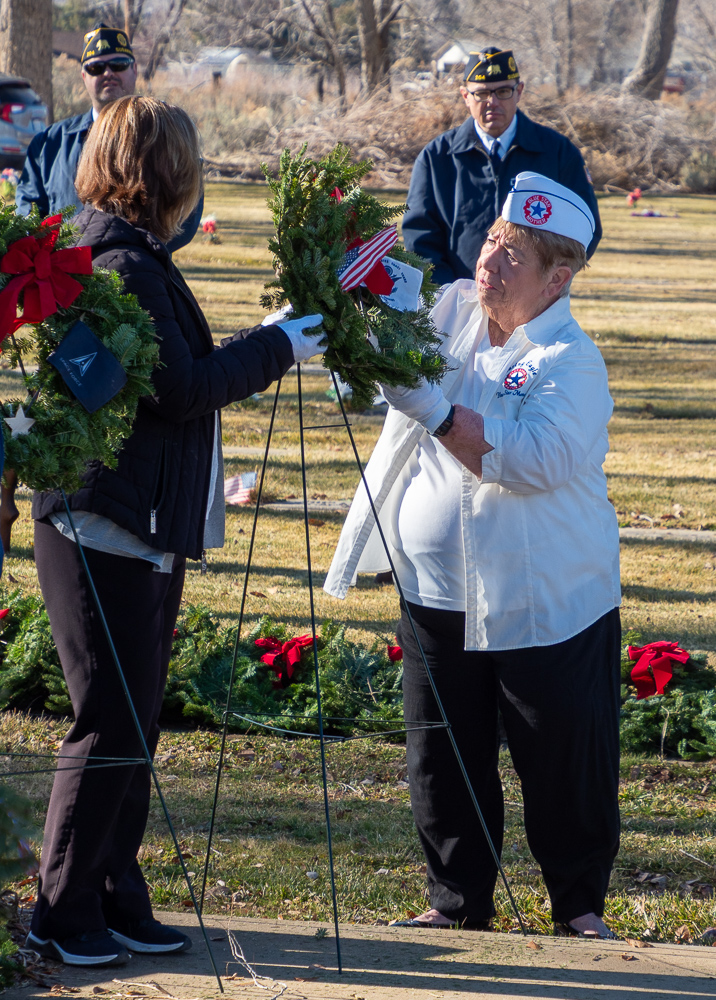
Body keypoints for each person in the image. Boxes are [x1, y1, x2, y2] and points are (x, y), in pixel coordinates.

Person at [26, 95, 325, 968]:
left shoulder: (132, 254)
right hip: (104, 523)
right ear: (163, 172)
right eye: (189, 164)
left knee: (135, 725)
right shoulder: (121, 261)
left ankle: (114, 894)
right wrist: (277, 348)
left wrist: (262, 337)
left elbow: (174, 369)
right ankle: (62, 911)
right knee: (109, 725)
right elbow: (182, 390)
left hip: (138, 521)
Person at [325, 173, 621, 938]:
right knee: (442, 756)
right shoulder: (451, 307)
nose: (489, 261)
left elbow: (532, 459)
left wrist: (434, 408)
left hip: (543, 599)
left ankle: (579, 909)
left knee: (560, 760)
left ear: (558, 278)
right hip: (436, 590)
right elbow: (373, 333)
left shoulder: (571, 360)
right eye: (491, 239)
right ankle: (457, 902)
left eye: (514, 254)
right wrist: (335, 303)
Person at [402, 48, 602, 285]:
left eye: (503, 91)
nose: (493, 102)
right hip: (457, 299)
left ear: (519, 91)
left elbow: (585, 228)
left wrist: (544, 285)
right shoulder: (436, 158)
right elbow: (420, 237)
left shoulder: (558, 153)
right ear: (465, 96)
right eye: (481, 93)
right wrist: (450, 292)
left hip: (536, 300)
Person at [15, 24, 202, 253]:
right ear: (84, 75)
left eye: (118, 64)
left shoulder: (163, 134)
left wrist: (138, 252)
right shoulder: (49, 143)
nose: (108, 73)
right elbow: (28, 216)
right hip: (65, 269)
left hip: (138, 266)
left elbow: (185, 212)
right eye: (96, 67)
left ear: (134, 69)